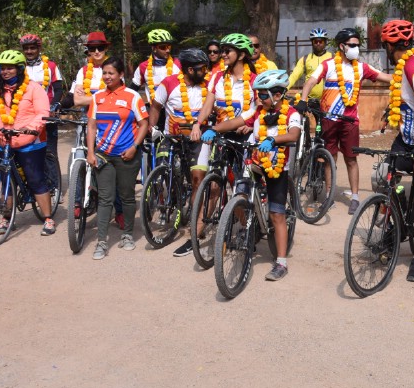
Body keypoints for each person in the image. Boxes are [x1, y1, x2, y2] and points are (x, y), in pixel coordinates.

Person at [296, 28, 391, 214]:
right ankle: (330, 195)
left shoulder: (362, 68)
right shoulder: (328, 65)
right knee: (329, 158)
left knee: (351, 159)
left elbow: (386, 77)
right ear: (342, 46)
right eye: (352, 45)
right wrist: (302, 99)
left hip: (350, 122)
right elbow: (310, 81)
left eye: (357, 45)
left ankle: (355, 197)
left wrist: (410, 74)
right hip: (329, 120)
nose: (356, 48)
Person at [218, 69, 300, 281]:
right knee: (240, 192)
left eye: (263, 95)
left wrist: (274, 140)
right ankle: (247, 230)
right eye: (258, 94)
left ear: (278, 94)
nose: (259, 98)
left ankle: (281, 262)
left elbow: (293, 134)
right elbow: (235, 122)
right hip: (255, 162)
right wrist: (212, 129)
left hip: (277, 167)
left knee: (277, 214)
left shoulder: (292, 114)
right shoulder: (257, 110)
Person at [0, 49, 56, 236]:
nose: (5, 72)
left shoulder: (34, 88)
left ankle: (48, 218)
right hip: (3, 140)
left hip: (30, 141)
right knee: (5, 180)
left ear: (19, 69)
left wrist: (32, 127)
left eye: (10, 68)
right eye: (3, 68)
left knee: (36, 180)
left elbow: (43, 113)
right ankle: (6, 218)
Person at [379, 18, 414, 282]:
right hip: (404, 138)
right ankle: (398, 222)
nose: (385, 51)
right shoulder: (404, 67)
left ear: (393, 46)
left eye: (385, 47)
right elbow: (402, 100)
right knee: (385, 177)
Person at [86, 56, 149, 259]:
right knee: (105, 199)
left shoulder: (132, 96)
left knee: (127, 196)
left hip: (127, 155)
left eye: (111, 73)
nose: (107, 76)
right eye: (104, 73)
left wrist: (134, 147)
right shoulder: (97, 97)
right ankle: (102, 242)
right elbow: (92, 126)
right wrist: (90, 151)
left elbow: (143, 124)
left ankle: (128, 235)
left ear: (121, 74)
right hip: (103, 155)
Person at [149, 47, 210, 257]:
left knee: (196, 180)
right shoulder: (169, 83)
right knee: (166, 172)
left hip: (198, 139)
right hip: (172, 137)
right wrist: (153, 128)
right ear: (189, 70)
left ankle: (194, 222)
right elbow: (156, 106)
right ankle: (171, 199)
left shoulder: (209, 84)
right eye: (201, 68)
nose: (205, 70)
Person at [20, 33, 65, 175]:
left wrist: (53, 107)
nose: (29, 52)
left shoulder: (50, 66)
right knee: (26, 149)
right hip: (25, 115)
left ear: (39, 49)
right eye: (26, 48)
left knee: (49, 151)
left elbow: (58, 89)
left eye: (32, 48)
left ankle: (53, 184)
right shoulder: (19, 67)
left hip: (47, 115)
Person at [131, 29, 181, 113]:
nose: (167, 50)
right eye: (163, 47)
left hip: (174, 111)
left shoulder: (178, 64)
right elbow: (132, 90)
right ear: (154, 48)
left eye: (169, 47)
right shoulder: (143, 67)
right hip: (154, 111)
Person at [65, 31, 111, 110]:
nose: (96, 52)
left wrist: (86, 99)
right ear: (89, 51)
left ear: (106, 49)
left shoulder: (114, 68)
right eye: (92, 48)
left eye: (100, 48)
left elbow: (117, 97)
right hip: (87, 117)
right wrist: (104, 98)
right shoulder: (83, 71)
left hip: (109, 115)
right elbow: (77, 101)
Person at [287, 27, 332, 101]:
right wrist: (285, 88)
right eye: (315, 41)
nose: (318, 44)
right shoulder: (305, 59)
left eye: (321, 41)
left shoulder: (332, 57)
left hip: (328, 99)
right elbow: (294, 76)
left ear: (325, 42)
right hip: (309, 100)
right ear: (312, 42)